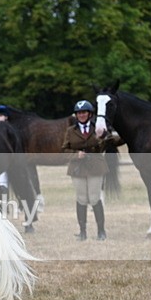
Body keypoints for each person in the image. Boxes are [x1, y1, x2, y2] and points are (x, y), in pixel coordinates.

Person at [62, 100, 109, 241]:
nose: (81, 115)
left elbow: (107, 144)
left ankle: (101, 231)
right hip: (78, 168)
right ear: (76, 115)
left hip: (96, 166)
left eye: (84, 112)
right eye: (79, 113)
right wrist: (76, 155)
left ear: (89, 114)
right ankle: (82, 231)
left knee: (94, 198)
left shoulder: (98, 128)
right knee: (81, 199)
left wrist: (103, 139)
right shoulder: (70, 131)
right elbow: (64, 150)